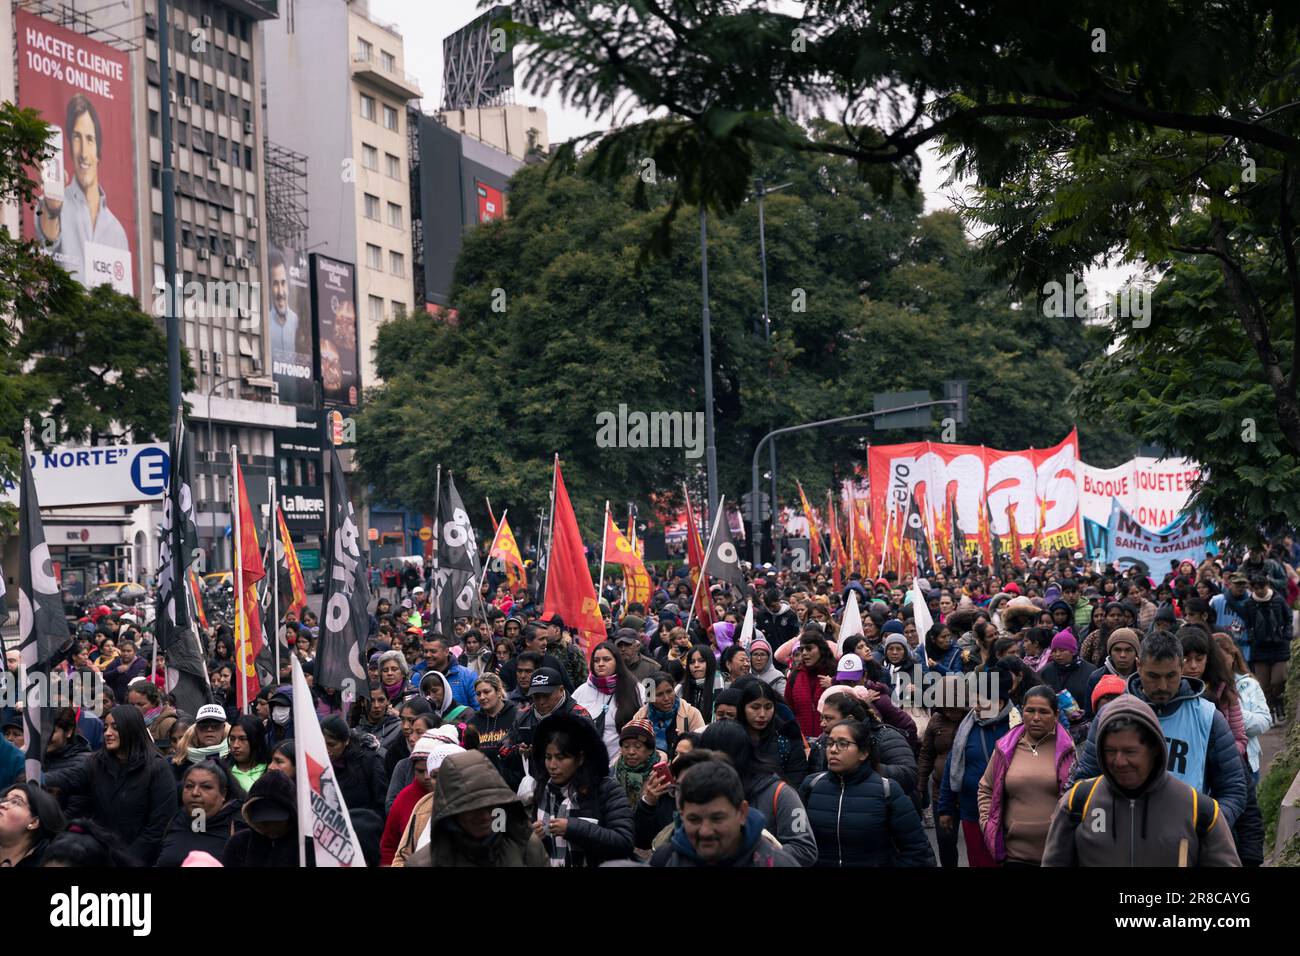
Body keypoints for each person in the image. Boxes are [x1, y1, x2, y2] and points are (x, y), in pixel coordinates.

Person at [1070, 631, 1247, 827]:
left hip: (1186, 844)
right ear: (1139, 666)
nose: (1162, 686)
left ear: (1181, 667)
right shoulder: (1109, 715)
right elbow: (1085, 783)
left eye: (1170, 676)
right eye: (1153, 676)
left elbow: (1233, 789)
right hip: (1123, 841)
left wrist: (1208, 828)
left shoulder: (1207, 717)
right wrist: (1104, 831)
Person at [1041, 697, 1240, 866]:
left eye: (1130, 752)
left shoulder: (1200, 811)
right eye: (1110, 751)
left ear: (1154, 750)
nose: (1119, 761)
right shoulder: (1078, 803)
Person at [42, 704, 178, 865]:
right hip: (103, 854)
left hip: (140, 859)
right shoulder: (97, 762)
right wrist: (37, 778)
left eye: (115, 728)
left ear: (131, 729)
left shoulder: (157, 768)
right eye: (105, 727)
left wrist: (127, 859)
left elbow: (159, 825)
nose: (107, 733)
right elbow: (69, 778)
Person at [799, 718, 935, 867]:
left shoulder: (887, 790)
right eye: (830, 743)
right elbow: (796, 840)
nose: (833, 749)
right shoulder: (811, 786)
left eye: (843, 744)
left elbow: (915, 848)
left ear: (863, 753)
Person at [35, 94, 132, 288]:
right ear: (69, 147)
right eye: (77, 138)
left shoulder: (117, 232)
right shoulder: (51, 204)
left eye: (90, 139)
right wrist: (53, 210)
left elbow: (123, 300)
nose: (83, 154)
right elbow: (48, 240)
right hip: (63, 317)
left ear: (99, 152)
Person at [977, 685, 1075, 867]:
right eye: (1030, 710)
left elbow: (1078, 799)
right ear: (1022, 712)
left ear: (1056, 714)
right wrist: (987, 824)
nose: (1036, 718)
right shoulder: (1005, 749)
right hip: (1014, 856)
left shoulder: (1068, 751)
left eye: (1044, 712)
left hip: (1057, 856)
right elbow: (986, 788)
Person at [698, 720, 818, 867]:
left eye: (715, 755)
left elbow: (805, 849)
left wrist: (754, 856)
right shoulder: (701, 791)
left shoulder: (780, 793)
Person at [405, 750, 549, 867]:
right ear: (452, 811)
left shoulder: (527, 848)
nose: (485, 816)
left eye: (490, 807)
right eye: (473, 809)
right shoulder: (424, 863)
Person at [648, 760, 801, 867]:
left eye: (717, 819)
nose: (705, 831)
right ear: (681, 814)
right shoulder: (664, 860)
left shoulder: (778, 863)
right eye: (694, 819)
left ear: (741, 813)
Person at [531, 712, 634, 866]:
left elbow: (623, 842)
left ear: (579, 759)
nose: (552, 765)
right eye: (548, 757)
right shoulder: (543, 791)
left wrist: (572, 828)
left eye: (561, 758)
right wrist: (533, 837)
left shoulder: (606, 790)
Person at [937, 671, 1014, 867]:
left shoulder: (1017, 725)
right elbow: (951, 766)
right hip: (971, 811)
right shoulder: (968, 726)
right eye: (975, 700)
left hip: (1010, 812)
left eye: (983, 701)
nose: (977, 707)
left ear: (1000, 702)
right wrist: (945, 807)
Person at [917, 677, 969, 867]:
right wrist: (921, 784)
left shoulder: (975, 720)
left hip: (970, 791)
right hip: (942, 792)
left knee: (976, 840)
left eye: (955, 708)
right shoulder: (936, 721)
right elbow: (926, 755)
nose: (951, 712)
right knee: (945, 840)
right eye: (946, 707)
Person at [155, 761, 245, 867]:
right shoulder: (175, 819)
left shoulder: (238, 827)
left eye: (206, 787)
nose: (195, 793)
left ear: (223, 793)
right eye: (189, 786)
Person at [571, 640, 645, 764]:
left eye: (606, 659)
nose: (600, 664)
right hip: (587, 764)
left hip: (622, 764)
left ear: (617, 662)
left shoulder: (636, 689)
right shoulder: (582, 691)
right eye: (596, 660)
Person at [1214, 633, 1272, 785]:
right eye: (1215, 660)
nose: (1219, 664)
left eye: (1223, 658)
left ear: (1233, 656)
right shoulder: (1208, 689)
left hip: (1246, 764)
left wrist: (1233, 712)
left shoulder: (1249, 685)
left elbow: (1265, 721)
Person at [220, 770, 299, 867]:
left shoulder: (306, 845)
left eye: (277, 821)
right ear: (249, 815)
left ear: (292, 815)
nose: (270, 826)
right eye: (263, 821)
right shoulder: (238, 843)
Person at [737, 679, 808, 787]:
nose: (762, 714)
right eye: (755, 707)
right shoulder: (732, 737)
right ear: (743, 708)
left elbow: (797, 782)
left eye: (768, 707)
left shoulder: (787, 737)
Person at [320, 716, 388, 815]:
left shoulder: (368, 761)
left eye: (332, 745)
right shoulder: (318, 763)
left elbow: (381, 801)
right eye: (321, 744)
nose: (326, 750)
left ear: (346, 741)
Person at [631, 671, 706, 756]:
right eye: (659, 694)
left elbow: (702, 749)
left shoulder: (691, 714)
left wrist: (688, 739)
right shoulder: (640, 718)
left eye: (669, 691)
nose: (666, 698)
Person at [0, 782, 66, 867]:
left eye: (15, 801)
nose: (2, 805)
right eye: (3, 800)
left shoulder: (49, 862)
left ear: (33, 822)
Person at [784, 631, 836, 739]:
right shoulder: (795, 676)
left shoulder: (834, 673)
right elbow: (788, 710)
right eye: (802, 649)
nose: (804, 653)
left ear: (821, 649)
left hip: (831, 739)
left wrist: (834, 685)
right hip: (803, 741)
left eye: (809, 649)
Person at [611, 718, 668, 811]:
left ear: (650, 750)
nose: (631, 752)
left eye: (638, 746)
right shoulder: (612, 773)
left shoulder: (660, 777)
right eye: (626, 746)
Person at [1083, 627, 1139, 716]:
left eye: (1128, 650)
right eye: (1117, 650)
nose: (1123, 655)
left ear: (1136, 653)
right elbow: (1090, 716)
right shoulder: (1096, 678)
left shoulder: (1143, 677)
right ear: (1110, 653)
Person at [470, 673, 518, 771]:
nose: (482, 697)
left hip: (512, 782)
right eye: (478, 694)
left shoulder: (517, 716)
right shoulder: (473, 723)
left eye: (486, 692)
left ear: (499, 692)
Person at [126, 680, 179, 757]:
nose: (135, 708)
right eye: (131, 704)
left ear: (154, 703)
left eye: (140, 704)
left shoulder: (169, 723)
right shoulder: (128, 722)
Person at [225, 715, 269, 796]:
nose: (235, 745)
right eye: (232, 739)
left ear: (256, 740)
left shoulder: (270, 770)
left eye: (242, 739)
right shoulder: (223, 771)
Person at [679, 644, 721, 720]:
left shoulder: (721, 684)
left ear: (710, 662)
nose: (696, 665)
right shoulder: (681, 688)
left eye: (701, 661)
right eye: (692, 662)